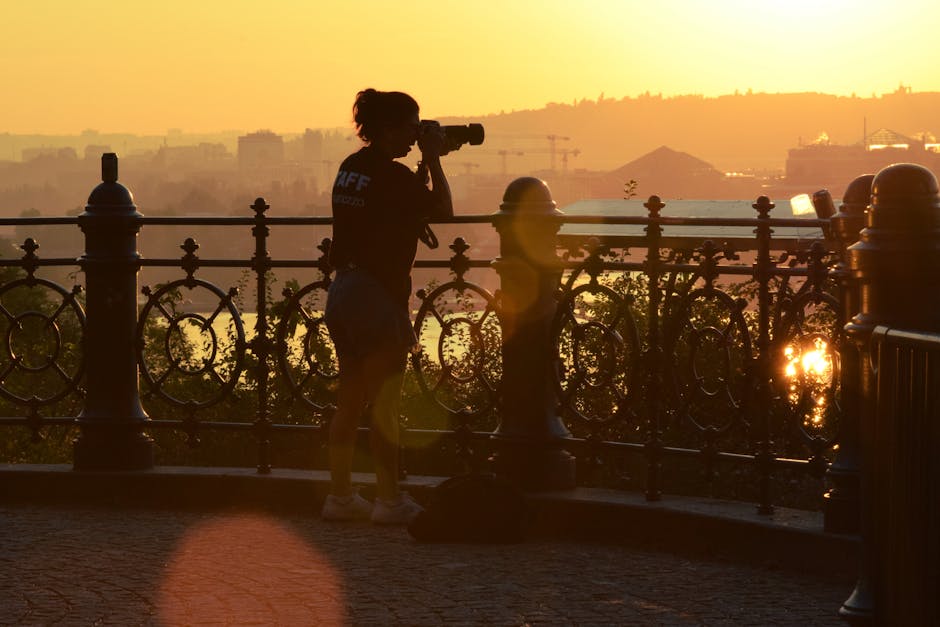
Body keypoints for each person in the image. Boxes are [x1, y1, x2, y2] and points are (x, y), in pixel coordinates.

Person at [322, 88, 453, 524]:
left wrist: (420, 163)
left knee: (349, 402)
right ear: (388, 128)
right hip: (377, 297)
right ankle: (389, 500)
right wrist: (433, 159)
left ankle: (339, 496)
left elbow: (388, 207)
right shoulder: (391, 175)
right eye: (412, 127)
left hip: (343, 291)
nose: (416, 135)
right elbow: (443, 209)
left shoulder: (350, 169)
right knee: (384, 406)